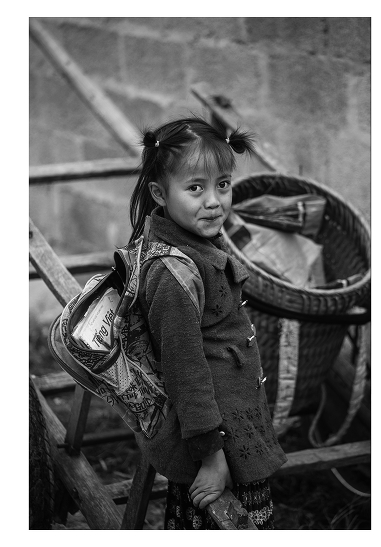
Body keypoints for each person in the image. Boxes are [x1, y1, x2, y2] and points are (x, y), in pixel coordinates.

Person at [128, 116, 287, 529]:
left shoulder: (198, 243)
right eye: (195, 188)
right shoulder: (173, 274)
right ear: (160, 193)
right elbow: (186, 374)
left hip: (233, 420)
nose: (214, 201)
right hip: (213, 441)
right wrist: (211, 457)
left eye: (223, 184)